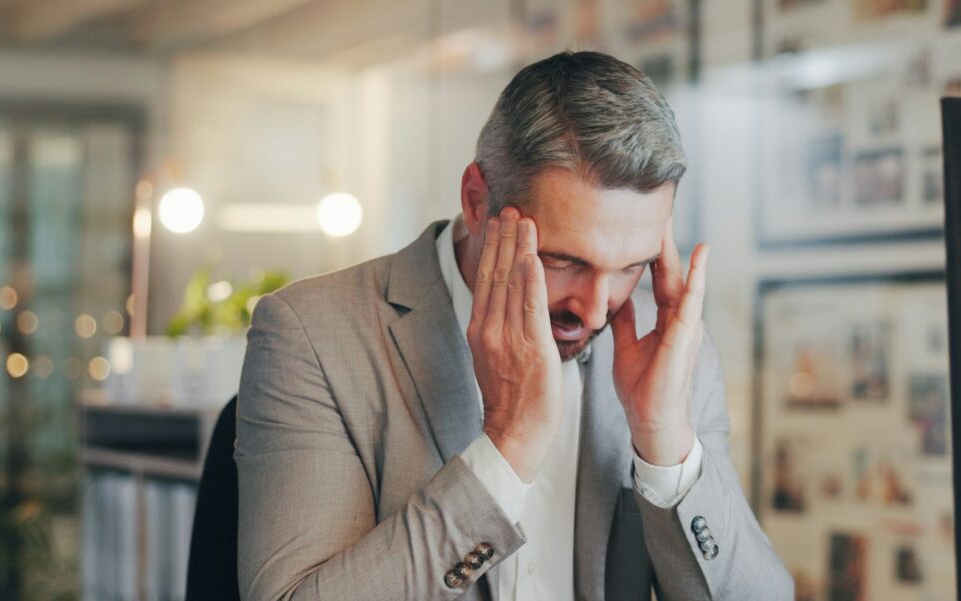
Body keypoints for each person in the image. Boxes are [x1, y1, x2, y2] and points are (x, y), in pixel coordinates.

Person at [236, 50, 792, 600]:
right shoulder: (312, 334)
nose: (596, 309)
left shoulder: (667, 348)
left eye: (631, 266)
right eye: (563, 261)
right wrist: (508, 443)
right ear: (477, 201)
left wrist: (664, 444)